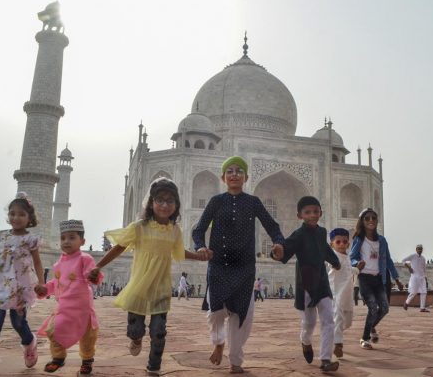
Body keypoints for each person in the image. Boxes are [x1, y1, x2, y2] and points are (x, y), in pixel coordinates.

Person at [89, 178, 208, 376]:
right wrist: (98, 265)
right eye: (160, 200)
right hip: (139, 288)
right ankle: (136, 339)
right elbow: (119, 247)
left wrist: (199, 256)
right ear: (151, 203)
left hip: (160, 288)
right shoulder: (140, 227)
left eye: (170, 201)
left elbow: (179, 252)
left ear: (176, 205)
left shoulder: (174, 230)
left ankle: (154, 367)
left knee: (159, 332)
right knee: (135, 331)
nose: (164, 205)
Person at [192, 156, 285, 374]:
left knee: (242, 314)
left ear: (246, 177)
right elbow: (198, 229)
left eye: (239, 171)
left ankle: (235, 360)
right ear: (223, 177)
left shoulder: (253, 202)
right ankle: (218, 342)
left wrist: (279, 243)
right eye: (230, 171)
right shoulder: (216, 201)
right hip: (219, 264)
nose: (235, 174)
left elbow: (272, 226)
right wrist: (200, 246)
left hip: (244, 267)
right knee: (215, 311)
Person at [0, 192, 44, 377]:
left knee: (18, 322)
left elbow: (37, 262)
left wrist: (42, 283)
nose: (16, 218)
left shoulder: (31, 239)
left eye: (21, 214)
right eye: (12, 213)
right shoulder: (2, 235)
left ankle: (30, 342)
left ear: (29, 218)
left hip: (20, 286)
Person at [273, 196, 340, 372]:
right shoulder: (299, 235)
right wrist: (277, 253)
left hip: (322, 282)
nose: (312, 215)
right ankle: (305, 341)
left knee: (328, 319)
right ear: (299, 215)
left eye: (315, 212)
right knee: (309, 322)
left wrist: (335, 261)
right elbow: (286, 249)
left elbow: (325, 249)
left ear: (321, 213)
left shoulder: (321, 232)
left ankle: (325, 359)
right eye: (308, 212)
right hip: (306, 284)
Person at [35, 220, 104, 376]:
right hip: (64, 307)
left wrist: (94, 275)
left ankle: (87, 361)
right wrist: (44, 289)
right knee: (53, 330)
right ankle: (58, 358)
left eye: (72, 238)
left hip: (82, 308)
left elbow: (91, 274)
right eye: (63, 238)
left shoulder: (84, 259)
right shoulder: (59, 263)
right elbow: (56, 282)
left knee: (87, 337)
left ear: (82, 241)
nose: (66, 241)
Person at [350, 208, 397, 350]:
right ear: (362, 221)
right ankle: (364, 338)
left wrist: (396, 277)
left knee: (384, 308)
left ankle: (371, 327)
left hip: (378, 279)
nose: (371, 221)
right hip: (364, 278)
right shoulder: (359, 239)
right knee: (372, 308)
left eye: (373, 218)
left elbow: (387, 260)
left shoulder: (381, 240)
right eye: (367, 218)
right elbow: (352, 257)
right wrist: (356, 263)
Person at [327, 228, 359, 359]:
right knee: (339, 318)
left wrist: (357, 269)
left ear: (348, 244)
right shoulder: (331, 257)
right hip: (336, 293)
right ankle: (338, 344)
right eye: (338, 242)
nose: (341, 244)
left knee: (348, 322)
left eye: (344, 242)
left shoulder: (347, 256)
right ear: (332, 244)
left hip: (347, 295)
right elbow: (331, 265)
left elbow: (348, 268)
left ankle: (334, 332)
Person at [402, 244, 429, 312]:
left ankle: (422, 308)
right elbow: (403, 260)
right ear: (416, 249)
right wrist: (409, 268)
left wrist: (425, 277)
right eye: (418, 249)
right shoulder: (413, 256)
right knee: (413, 292)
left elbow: (424, 268)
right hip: (414, 277)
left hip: (422, 277)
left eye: (421, 249)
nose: (420, 250)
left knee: (424, 292)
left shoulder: (423, 258)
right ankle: (406, 303)